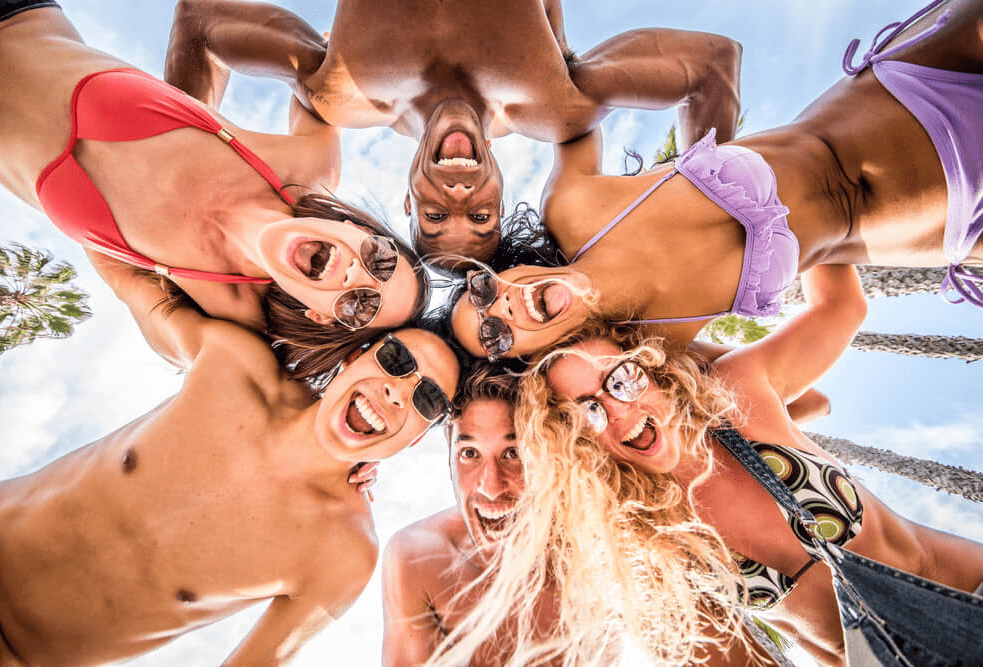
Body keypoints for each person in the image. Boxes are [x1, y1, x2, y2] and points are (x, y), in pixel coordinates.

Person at [480, 263, 983, 667]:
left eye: (622, 378)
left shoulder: (737, 396)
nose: (618, 409)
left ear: (654, 370)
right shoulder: (652, 542)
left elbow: (841, 306)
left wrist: (811, 186)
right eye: (587, 410)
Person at [0, 250, 459, 667]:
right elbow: (125, 275)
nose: (397, 392)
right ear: (356, 355)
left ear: (416, 439)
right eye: (398, 361)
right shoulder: (235, 364)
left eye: (428, 401)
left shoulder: (342, 554)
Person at [449, 0, 983, 360]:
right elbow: (800, 399)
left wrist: (709, 162)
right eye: (493, 335)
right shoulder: (658, 350)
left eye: (481, 289)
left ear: (506, 267)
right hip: (954, 224)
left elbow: (566, 75)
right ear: (528, 359)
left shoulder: (573, 206)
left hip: (915, 82)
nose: (500, 305)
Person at [0, 2, 429, 373]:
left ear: (319, 317)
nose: (358, 274)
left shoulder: (220, 311)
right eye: (380, 258)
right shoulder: (303, 166)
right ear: (356, 227)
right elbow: (207, 17)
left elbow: (224, 379)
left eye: (361, 306)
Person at [164, 0, 743, 271]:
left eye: (435, 220)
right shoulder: (557, 105)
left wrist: (181, 158)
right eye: (482, 219)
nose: (458, 201)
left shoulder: (337, 92)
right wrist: (707, 212)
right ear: (499, 190)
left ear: (409, 200)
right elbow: (714, 64)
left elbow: (201, 22)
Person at [381, 362, 625, 667]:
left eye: (514, 453)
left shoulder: (603, 559)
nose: (492, 487)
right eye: (469, 454)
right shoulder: (417, 558)